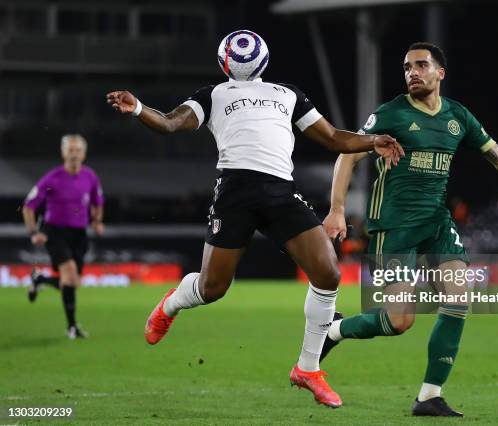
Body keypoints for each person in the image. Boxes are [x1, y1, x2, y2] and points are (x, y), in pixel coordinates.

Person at [105, 30, 403, 409]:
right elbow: (168, 123)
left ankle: (307, 369)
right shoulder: (213, 95)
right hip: (235, 191)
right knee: (213, 289)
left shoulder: (287, 94)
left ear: (225, 59)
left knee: (328, 272)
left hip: (281, 191)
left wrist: (371, 140)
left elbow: (331, 137)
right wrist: (136, 109)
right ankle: (171, 305)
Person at [321, 42, 498, 417]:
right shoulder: (391, 113)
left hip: (436, 222)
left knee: (458, 296)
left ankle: (429, 396)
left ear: (440, 73)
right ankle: (333, 331)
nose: (412, 73)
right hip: (394, 227)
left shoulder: (457, 117)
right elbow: (348, 152)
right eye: (407, 67)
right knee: (398, 320)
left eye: (421, 65)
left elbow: (495, 154)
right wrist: (337, 210)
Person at [23, 134, 105, 339]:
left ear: (84, 154)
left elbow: (98, 202)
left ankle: (39, 279)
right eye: (70, 150)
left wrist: (96, 222)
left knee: (72, 282)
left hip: (79, 234)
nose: (74, 154)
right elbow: (28, 206)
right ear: (63, 153)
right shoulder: (52, 178)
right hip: (55, 232)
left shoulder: (90, 177)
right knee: (69, 275)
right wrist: (34, 232)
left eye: (78, 150)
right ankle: (72, 328)